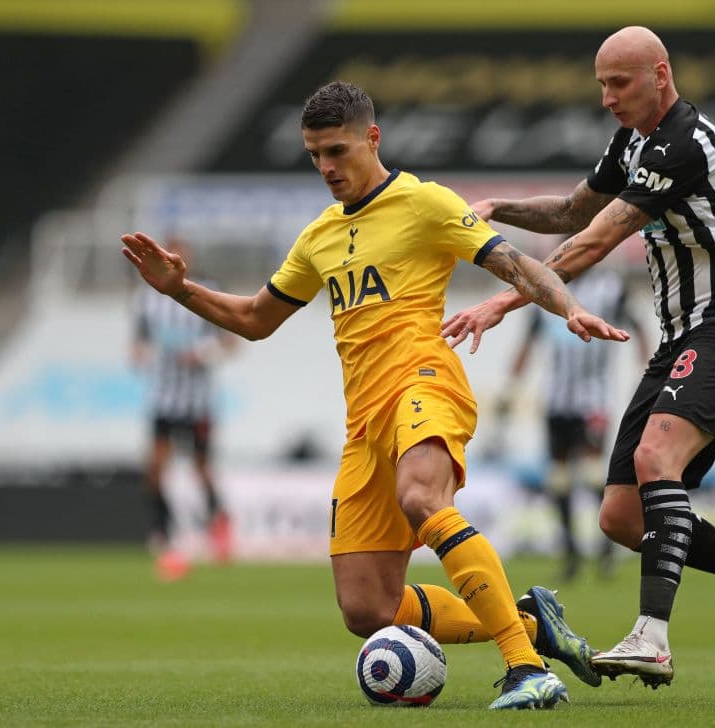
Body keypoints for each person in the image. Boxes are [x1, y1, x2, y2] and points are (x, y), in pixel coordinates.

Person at [122, 81, 632, 709]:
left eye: (336, 151)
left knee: (422, 497)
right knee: (368, 608)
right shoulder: (319, 236)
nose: (326, 167)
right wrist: (180, 290)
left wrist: (569, 307)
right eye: (315, 155)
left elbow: (514, 263)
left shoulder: (424, 202)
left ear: (372, 138)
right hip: (364, 422)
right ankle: (530, 625)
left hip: (424, 381)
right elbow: (255, 319)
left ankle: (527, 669)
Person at [442, 27, 715, 688]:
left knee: (654, 459)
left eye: (619, 83)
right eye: (601, 85)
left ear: (660, 75)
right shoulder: (634, 142)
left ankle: (652, 637)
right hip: (680, 339)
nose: (607, 98)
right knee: (621, 517)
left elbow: (594, 242)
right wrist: (500, 207)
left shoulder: (682, 143)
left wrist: (502, 302)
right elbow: (570, 213)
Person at [499, 262, 647, 581]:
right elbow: (529, 340)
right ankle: (571, 553)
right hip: (557, 399)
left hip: (593, 398)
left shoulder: (610, 286)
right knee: (559, 478)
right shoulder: (546, 287)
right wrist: (511, 387)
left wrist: (645, 371)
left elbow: (638, 327)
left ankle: (607, 546)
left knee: (592, 472)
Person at [131, 238, 237, 579]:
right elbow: (138, 344)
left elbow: (229, 342)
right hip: (164, 398)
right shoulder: (146, 299)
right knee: (155, 469)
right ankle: (162, 534)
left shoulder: (206, 291)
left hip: (197, 400)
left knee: (201, 467)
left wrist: (201, 354)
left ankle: (219, 525)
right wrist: (141, 356)